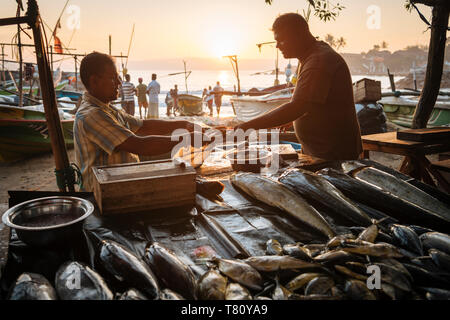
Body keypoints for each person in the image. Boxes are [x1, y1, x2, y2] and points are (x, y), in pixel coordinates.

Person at [235, 13, 362, 161]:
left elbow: (298, 107)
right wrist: (295, 118)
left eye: (281, 40)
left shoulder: (318, 61)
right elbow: (311, 102)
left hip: (334, 155)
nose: (277, 46)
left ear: (298, 35)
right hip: (320, 152)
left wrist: (247, 126)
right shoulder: (311, 56)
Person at [74, 52, 195, 191]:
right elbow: (139, 145)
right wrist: (187, 139)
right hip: (103, 194)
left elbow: (144, 126)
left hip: (121, 183)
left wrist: (185, 124)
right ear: (94, 81)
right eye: (113, 78)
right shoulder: (92, 115)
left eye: (118, 77)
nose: (119, 83)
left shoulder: (108, 109)